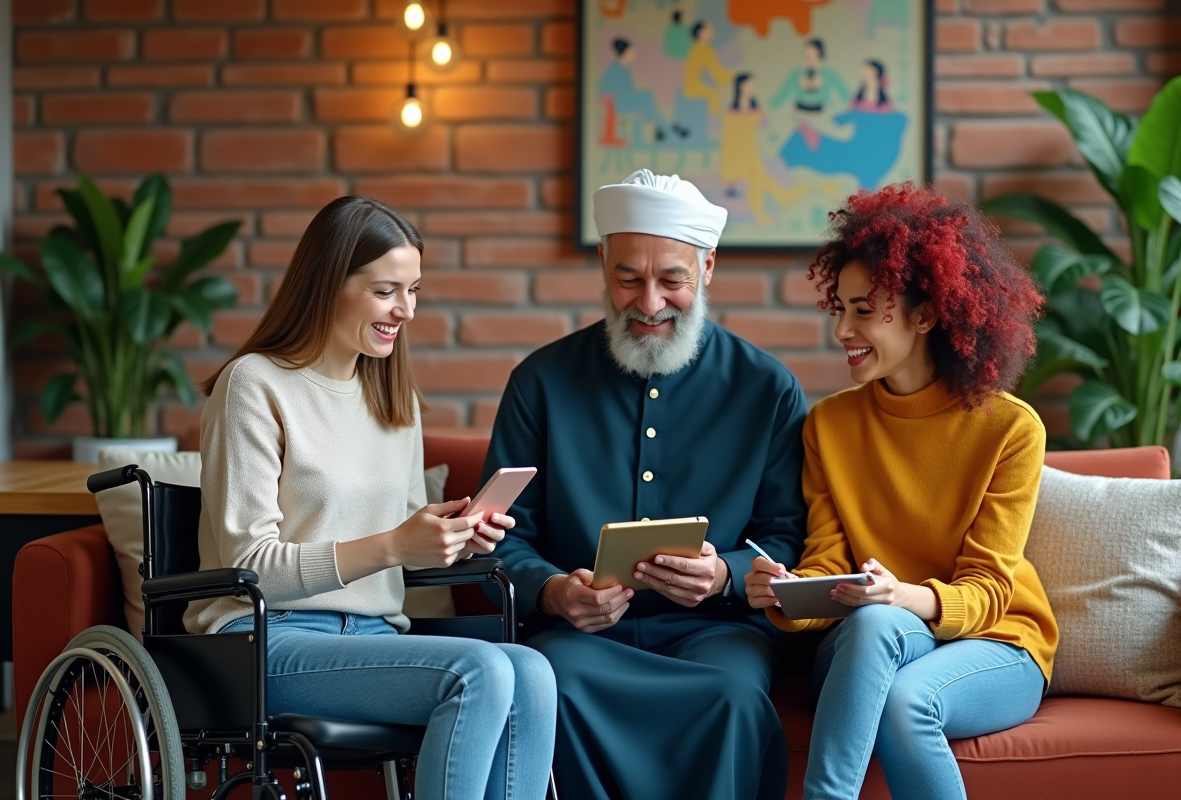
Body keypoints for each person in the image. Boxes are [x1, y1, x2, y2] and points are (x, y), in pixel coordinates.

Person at [188, 196, 557, 800]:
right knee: (482, 670)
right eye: (388, 291)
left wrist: (450, 538)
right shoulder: (253, 385)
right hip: (264, 638)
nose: (406, 311)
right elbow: (247, 567)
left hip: (371, 638)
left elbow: (404, 555)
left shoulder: (394, 399)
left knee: (535, 673)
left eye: (414, 291)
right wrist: (393, 543)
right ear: (331, 282)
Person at [484, 169, 807, 800]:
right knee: (556, 682)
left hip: (719, 632)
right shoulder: (540, 383)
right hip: (580, 636)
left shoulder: (768, 389)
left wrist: (727, 576)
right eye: (629, 278)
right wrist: (553, 592)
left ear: (708, 267)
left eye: (672, 280)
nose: (650, 301)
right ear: (604, 263)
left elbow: (789, 537)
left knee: (735, 696)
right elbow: (501, 536)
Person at [745, 184, 1058, 800]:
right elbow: (830, 564)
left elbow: (992, 590)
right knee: (873, 623)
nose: (842, 329)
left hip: (996, 644)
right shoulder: (828, 426)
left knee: (903, 691)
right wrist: (785, 591)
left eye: (864, 310)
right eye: (839, 308)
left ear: (925, 315)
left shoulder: (1010, 429)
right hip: (869, 639)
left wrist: (901, 596)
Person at [720, 72, 808, 223]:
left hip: (752, 153)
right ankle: (764, 212)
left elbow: (766, 126)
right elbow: (730, 141)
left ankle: (798, 193)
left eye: (754, 85)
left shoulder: (757, 110)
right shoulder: (731, 112)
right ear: (741, 86)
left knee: (763, 184)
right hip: (739, 155)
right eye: (750, 84)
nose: (753, 87)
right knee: (760, 184)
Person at [770, 39, 850, 115]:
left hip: (822, 115)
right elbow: (777, 100)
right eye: (807, 56)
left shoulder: (829, 75)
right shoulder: (795, 75)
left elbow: (847, 97)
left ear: (821, 55)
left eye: (814, 55)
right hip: (799, 115)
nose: (810, 59)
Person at [682, 20, 731, 115]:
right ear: (700, 33)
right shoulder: (703, 50)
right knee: (716, 97)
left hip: (693, 88)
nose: (712, 30)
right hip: (697, 90)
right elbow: (719, 77)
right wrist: (735, 76)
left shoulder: (698, 48)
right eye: (709, 28)